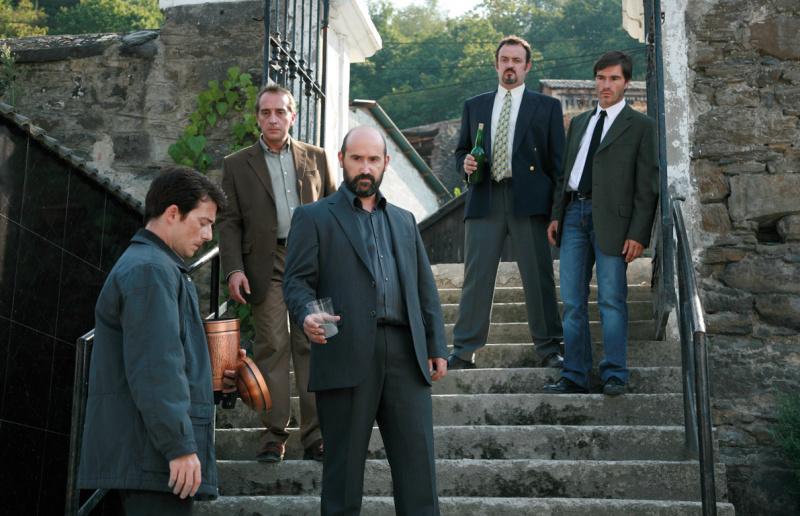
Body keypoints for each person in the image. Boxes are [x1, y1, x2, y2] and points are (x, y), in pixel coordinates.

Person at [283, 126, 448, 515]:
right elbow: (296, 282)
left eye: (373, 159)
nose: (365, 167)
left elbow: (424, 288)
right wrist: (306, 313)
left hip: (406, 355)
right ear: (342, 160)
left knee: (419, 473)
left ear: (385, 163)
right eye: (357, 158)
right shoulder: (313, 217)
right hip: (344, 352)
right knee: (342, 478)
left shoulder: (405, 220)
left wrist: (436, 345)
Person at [79, 166, 236, 514]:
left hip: (150, 457)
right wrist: (179, 446)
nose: (208, 235)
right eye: (204, 222)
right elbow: (155, 369)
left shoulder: (156, 267)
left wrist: (212, 380)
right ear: (172, 214)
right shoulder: (151, 270)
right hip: (153, 459)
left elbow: (163, 362)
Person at [217, 84, 336, 462]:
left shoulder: (317, 157)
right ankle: (273, 435)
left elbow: (334, 211)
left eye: (280, 112)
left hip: (311, 262)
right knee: (272, 345)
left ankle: (316, 435)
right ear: (257, 118)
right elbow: (229, 221)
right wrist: (234, 269)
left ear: (292, 117)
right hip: (263, 266)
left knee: (314, 343)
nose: (273, 119)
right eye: (266, 112)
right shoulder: (236, 164)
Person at [543, 51, 659, 396]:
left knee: (611, 299)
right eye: (600, 78)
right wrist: (557, 213)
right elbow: (565, 174)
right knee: (572, 301)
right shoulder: (580, 122)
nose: (606, 85)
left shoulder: (641, 126)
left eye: (614, 78)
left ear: (627, 83)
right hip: (573, 215)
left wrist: (639, 233)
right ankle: (574, 374)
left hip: (614, 222)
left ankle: (615, 374)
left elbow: (647, 186)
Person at [449, 35, 566, 370]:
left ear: (527, 66)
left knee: (538, 276)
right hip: (484, 196)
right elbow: (461, 151)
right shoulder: (475, 105)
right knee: (477, 276)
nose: (509, 66)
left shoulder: (547, 107)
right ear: (496, 64)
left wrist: (558, 211)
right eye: (504, 60)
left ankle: (549, 347)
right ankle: (464, 350)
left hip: (530, 199)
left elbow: (558, 165)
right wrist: (464, 164)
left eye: (516, 60)